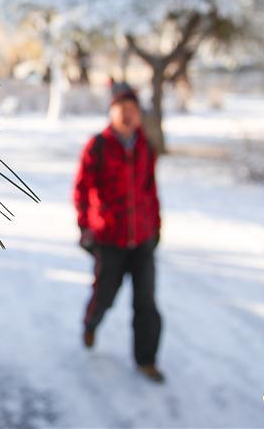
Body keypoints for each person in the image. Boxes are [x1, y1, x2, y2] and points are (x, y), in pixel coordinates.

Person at [73, 82, 164, 383]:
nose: (127, 115)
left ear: (139, 114)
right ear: (111, 112)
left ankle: (146, 360)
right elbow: (82, 190)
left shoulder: (144, 146)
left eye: (132, 110)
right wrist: (85, 227)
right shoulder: (97, 145)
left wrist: (156, 226)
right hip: (109, 238)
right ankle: (91, 324)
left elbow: (151, 190)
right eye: (121, 110)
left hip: (142, 239)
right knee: (104, 296)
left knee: (146, 304)